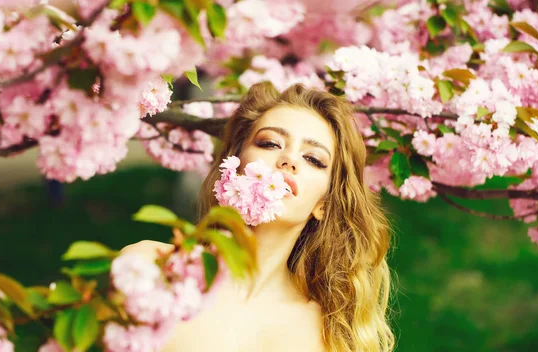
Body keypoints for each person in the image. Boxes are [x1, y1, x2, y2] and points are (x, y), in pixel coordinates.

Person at [122, 83, 396, 352]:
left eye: (313, 159)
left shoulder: (325, 335)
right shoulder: (144, 267)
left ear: (323, 204)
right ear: (233, 166)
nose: (289, 158)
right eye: (270, 143)